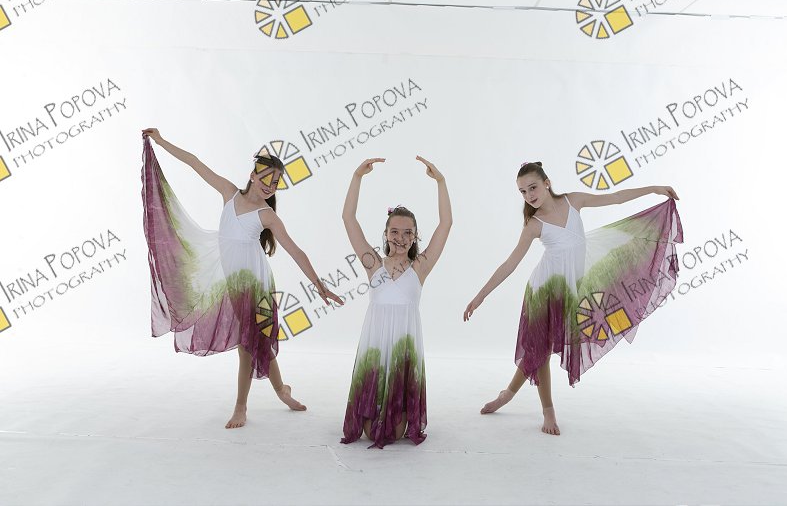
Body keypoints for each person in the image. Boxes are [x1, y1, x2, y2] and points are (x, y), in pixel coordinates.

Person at [141, 128, 343, 429]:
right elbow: (195, 163)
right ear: (253, 174)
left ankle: (241, 407)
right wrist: (161, 141)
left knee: (247, 345)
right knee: (255, 340)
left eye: (276, 183)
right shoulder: (229, 193)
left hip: (258, 286)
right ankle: (282, 390)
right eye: (266, 179)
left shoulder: (266, 215)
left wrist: (320, 286)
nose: (270, 186)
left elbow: (296, 251)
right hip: (235, 286)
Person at [464, 161, 682, 435]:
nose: (529, 195)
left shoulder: (573, 201)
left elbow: (615, 198)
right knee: (541, 351)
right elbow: (510, 264)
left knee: (538, 349)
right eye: (522, 192)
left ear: (547, 183)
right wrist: (480, 296)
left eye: (533, 187)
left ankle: (506, 394)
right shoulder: (534, 224)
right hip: (542, 291)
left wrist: (654, 189)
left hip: (567, 291)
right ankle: (548, 411)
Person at [340, 156, 452, 448]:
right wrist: (357, 177)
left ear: (415, 237)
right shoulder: (373, 264)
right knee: (369, 432)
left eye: (407, 233)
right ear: (386, 234)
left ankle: (397, 402)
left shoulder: (420, 267)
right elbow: (348, 219)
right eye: (394, 232)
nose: (400, 238)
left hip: (403, 352)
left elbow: (446, 224)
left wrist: (440, 182)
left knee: (396, 431)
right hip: (376, 348)